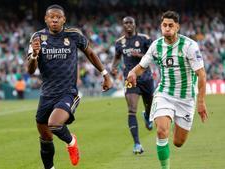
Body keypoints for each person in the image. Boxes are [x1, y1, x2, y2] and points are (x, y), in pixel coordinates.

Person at [27, 4, 112, 169]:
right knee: (45, 137)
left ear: (63, 19)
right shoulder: (36, 37)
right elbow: (30, 70)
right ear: (46, 19)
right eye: (51, 17)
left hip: (68, 92)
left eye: (58, 17)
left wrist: (105, 74)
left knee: (55, 124)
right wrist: (35, 55)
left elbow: (90, 53)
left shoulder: (73, 35)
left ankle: (71, 141)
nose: (54, 20)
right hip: (46, 94)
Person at [127, 11, 208, 169]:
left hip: (186, 99)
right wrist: (132, 73)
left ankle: (168, 120)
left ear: (177, 27)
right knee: (161, 131)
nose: (167, 28)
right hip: (165, 94)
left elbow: (202, 75)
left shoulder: (190, 46)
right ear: (160, 27)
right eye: (164, 25)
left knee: (178, 142)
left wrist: (201, 102)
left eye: (171, 25)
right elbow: (141, 67)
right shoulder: (156, 46)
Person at [111, 16, 154, 154]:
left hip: (146, 78)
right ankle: (137, 144)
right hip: (130, 78)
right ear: (123, 26)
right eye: (126, 23)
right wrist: (114, 67)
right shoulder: (119, 42)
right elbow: (117, 56)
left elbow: (153, 55)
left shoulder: (144, 39)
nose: (128, 25)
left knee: (149, 105)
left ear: (135, 25)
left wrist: (140, 55)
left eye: (131, 23)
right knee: (131, 109)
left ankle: (147, 116)